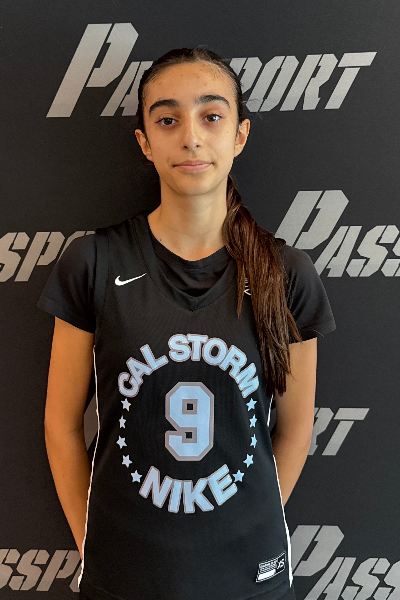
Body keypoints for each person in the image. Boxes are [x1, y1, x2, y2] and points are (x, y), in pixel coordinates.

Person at [38, 46, 336, 600]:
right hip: (122, 575)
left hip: (251, 577)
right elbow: (60, 423)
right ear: (145, 142)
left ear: (240, 135)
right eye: (168, 120)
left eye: (211, 116)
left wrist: (241, 526)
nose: (191, 137)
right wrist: (92, 542)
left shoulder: (286, 273)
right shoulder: (94, 262)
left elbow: (295, 429)